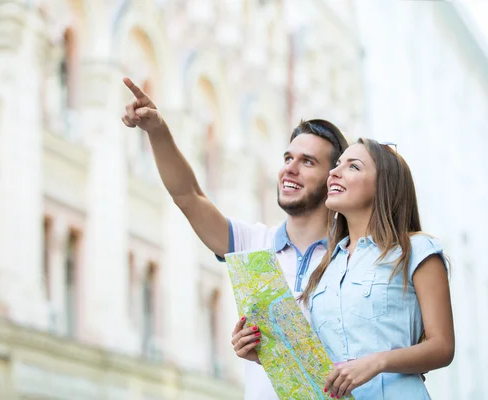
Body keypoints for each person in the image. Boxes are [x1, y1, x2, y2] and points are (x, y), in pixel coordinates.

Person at [120, 77, 349, 400]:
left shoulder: (351, 259)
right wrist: (157, 131)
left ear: (333, 178)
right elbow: (188, 196)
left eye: (307, 162)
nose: (290, 169)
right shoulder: (251, 244)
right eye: (287, 158)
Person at [296, 138, 455, 399]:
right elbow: (317, 361)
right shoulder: (323, 268)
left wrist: (377, 362)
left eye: (353, 167)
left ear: (384, 185)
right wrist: (264, 349)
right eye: (337, 165)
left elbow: (443, 347)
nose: (334, 172)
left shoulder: (416, 251)